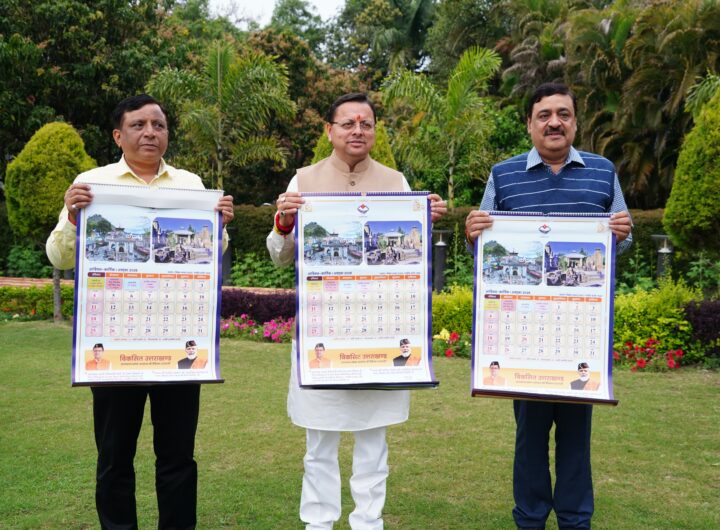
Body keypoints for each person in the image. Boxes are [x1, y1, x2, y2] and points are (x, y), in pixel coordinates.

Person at [46, 94, 234, 529]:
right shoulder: (91, 184)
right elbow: (59, 256)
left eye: (158, 125)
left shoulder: (190, 185)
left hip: (179, 343)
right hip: (114, 344)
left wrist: (219, 227)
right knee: (114, 456)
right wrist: (73, 218)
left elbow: (213, 254)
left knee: (178, 457)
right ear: (118, 135)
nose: (150, 132)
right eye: (138, 125)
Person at [267, 92, 447, 529]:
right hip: (323, 331)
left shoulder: (396, 182)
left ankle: (369, 521)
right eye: (348, 123)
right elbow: (279, 256)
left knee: (373, 442)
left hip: (379, 330)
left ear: (375, 131)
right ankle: (318, 521)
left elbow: (410, 255)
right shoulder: (303, 180)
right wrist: (284, 223)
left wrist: (426, 219)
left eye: (366, 123)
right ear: (329, 130)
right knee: (319, 443)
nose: (357, 131)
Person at [465, 82, 632, 530]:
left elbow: (624, 239)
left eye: (563, 114)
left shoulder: (603, 172)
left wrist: (622, 234)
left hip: (580, 332)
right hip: (523, 336)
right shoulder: (503, 175)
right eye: (544, 115)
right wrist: (473, 232)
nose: (554, 122)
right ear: (529, 124)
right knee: (530, 437)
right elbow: (481, 246)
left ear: (575, 122)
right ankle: (530, 518)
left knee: (577, 437)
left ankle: (575, 520)